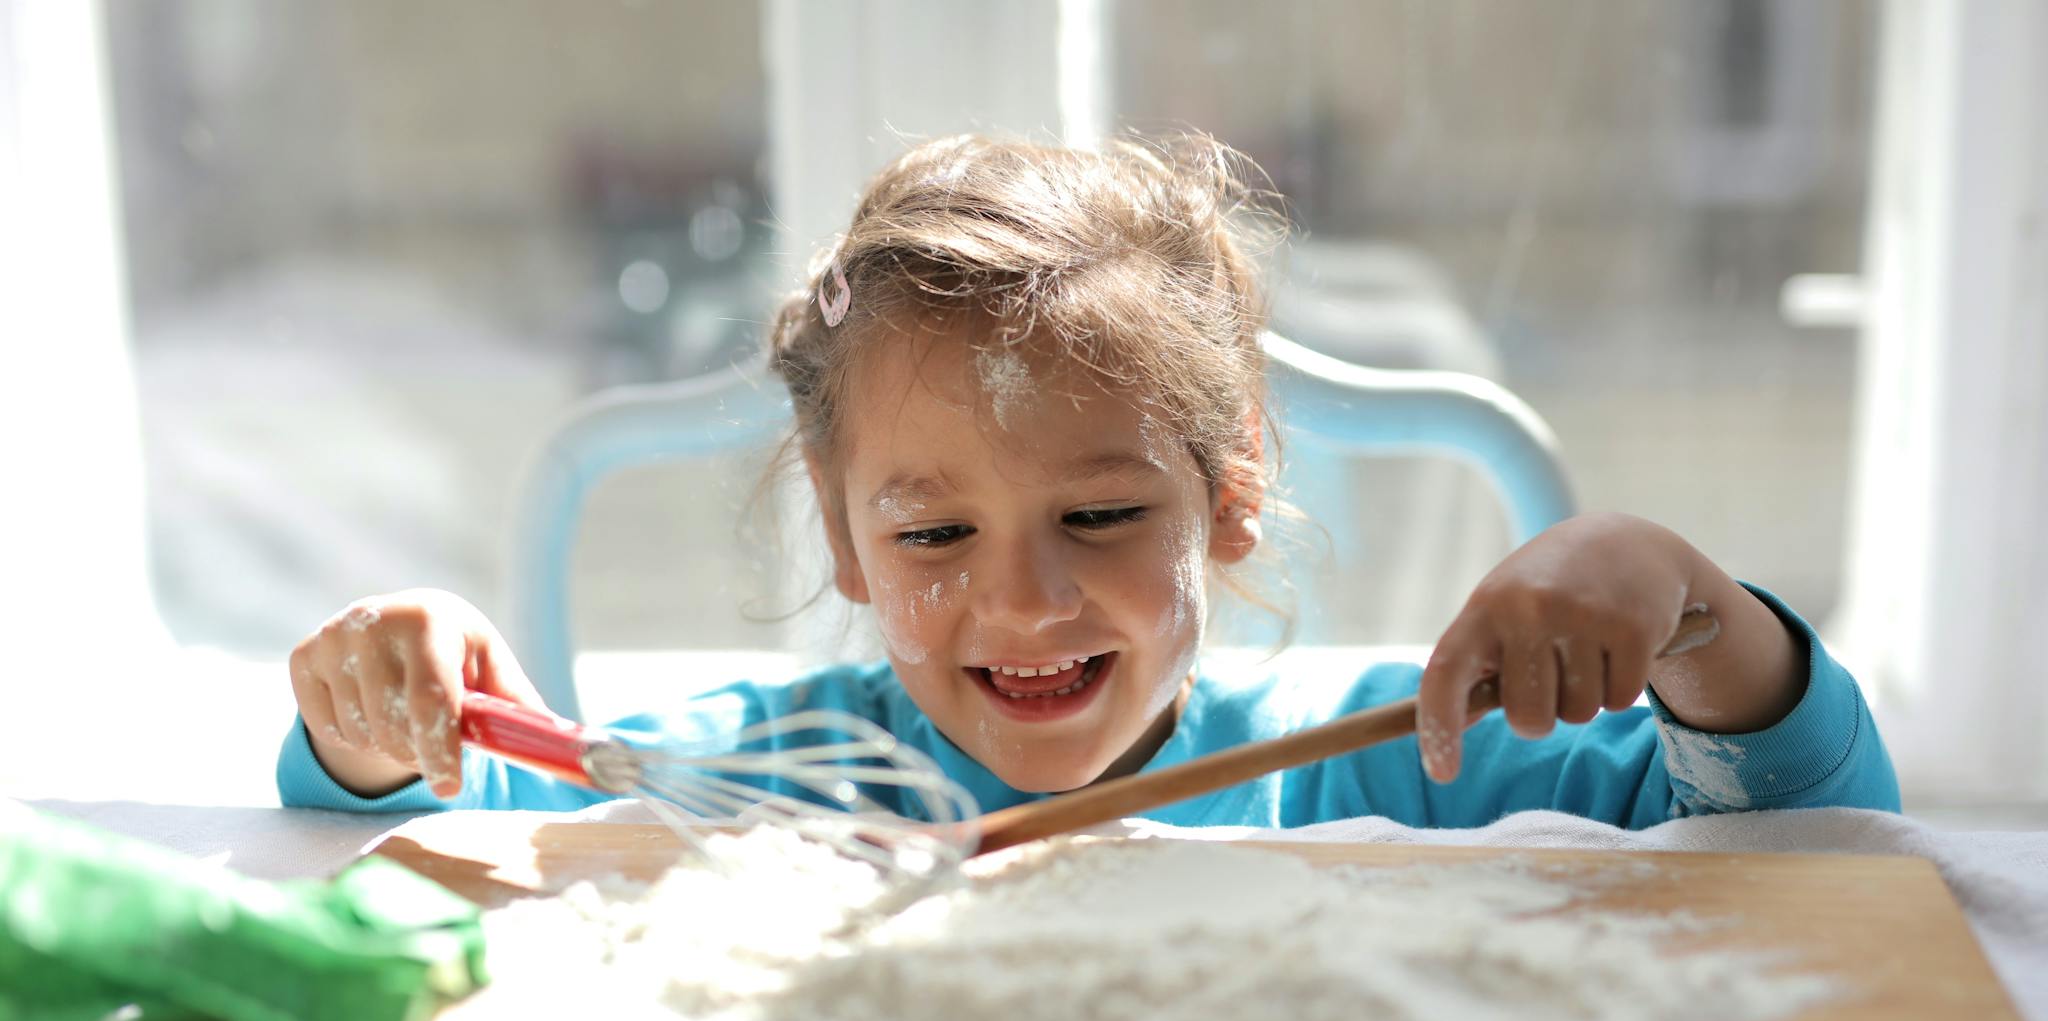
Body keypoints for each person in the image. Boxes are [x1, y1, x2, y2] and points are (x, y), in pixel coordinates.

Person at [278, 133, 1898, 829]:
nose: (1025, 597)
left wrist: (1684, 597)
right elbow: (473, 809)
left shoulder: (1406, 763)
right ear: (843, 541)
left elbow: (1808, 835)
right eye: (929, 530)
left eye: (1104, 514)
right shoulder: (775, 789)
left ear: (1234, 491)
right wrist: (387, 708)